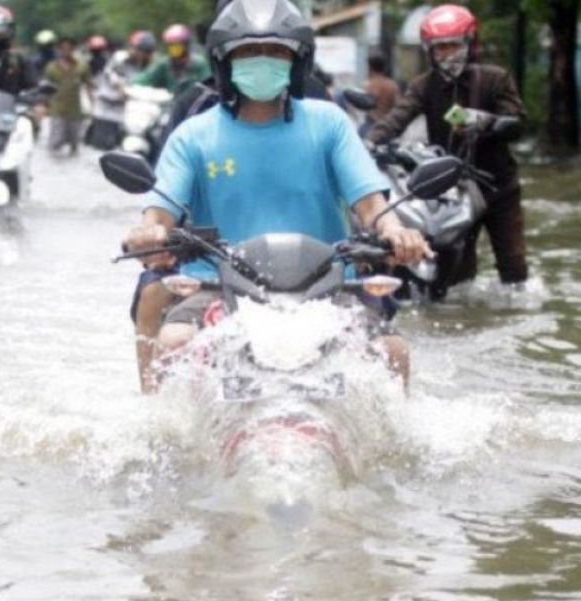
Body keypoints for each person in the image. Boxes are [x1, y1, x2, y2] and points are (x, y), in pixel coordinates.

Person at [123, 0, 429, 394]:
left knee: (392, 351)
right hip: (218, 284)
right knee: (173, 343)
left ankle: (390, 449)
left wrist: (395, 229)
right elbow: (159, 213)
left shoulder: (330, 123)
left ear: (296, 60)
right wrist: (148, 233)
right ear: (225, 62)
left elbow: (371, 204)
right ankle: (162, 436)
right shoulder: (192, 135)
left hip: (328, 285)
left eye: (275, 51)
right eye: (248, 51)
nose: (262, 61)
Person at [367, 4, 528, 295]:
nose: (447, 54)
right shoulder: (423, 86)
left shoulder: (495, 79)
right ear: (430, 50)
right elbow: (396, 119)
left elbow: (518, 124)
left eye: (454, 45)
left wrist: (487, 122)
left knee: (513, 264)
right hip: (454, 190)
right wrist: (367, 143)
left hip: (498, 185)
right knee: (457, 273)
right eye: (440, 48)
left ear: (469, 44)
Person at [87, 30, 156, 151]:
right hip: (109, 108)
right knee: (103, 148)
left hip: (135, 111)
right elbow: (113, 77)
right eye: (140, 50)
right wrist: (122, 88)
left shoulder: (152, 66)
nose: (143, 54)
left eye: (148, 51)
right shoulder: (119, 59)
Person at [43, 37, 92, 156]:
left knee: (75, 143)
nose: (66, 51)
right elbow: (45, 89)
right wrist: (44, 106)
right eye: (63, 48)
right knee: (55, 141)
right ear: (59, 50)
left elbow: (89, 86)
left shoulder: (82, 66)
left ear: (73, 49)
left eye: (69, 48)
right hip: (57, 108)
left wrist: (91, 105)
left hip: (75, 109)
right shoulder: (51, 67)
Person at [132, 24, 211, 97]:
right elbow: (145, 78)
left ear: (186, 45)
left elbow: (208, 85)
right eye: (170, 46)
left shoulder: (199, 64)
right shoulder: (164, 64)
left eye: (177, 46)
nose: (174, 50)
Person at [362, 51, 398, 134]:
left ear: (370, 68)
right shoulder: (392, 85)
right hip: (387, 127)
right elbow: (398, 106)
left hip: (371, 126)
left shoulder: (368, 86)